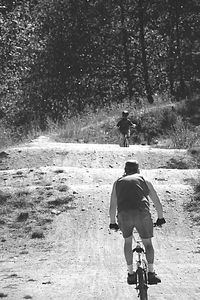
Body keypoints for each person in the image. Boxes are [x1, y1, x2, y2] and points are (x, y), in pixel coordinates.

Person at [109, 160, 166, 285]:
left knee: (128, 241)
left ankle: (130, 274)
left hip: (124, 215)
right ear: (138, 170)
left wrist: (113, 222)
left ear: (125, 170)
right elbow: (156, 201)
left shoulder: (117, 182)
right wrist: (160, 217)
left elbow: (113, 204)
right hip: (142, 214)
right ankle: (151, 274)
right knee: (148, 243)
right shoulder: (145, 180)